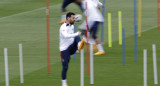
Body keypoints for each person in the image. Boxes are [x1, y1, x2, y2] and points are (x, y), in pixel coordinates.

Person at [59, 12, 85, 86]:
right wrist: (76, 34)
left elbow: (73, 36)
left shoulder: (72, 26)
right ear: (68, 18)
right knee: (65, 67)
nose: (74, 19)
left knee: (77, 37)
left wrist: (77, 35)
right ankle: (64, 83)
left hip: (71, 46)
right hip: (64, 49)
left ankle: (79, 46)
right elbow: (66, 35)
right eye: (73, 18)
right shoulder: (63, 27)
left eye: (74, 18)